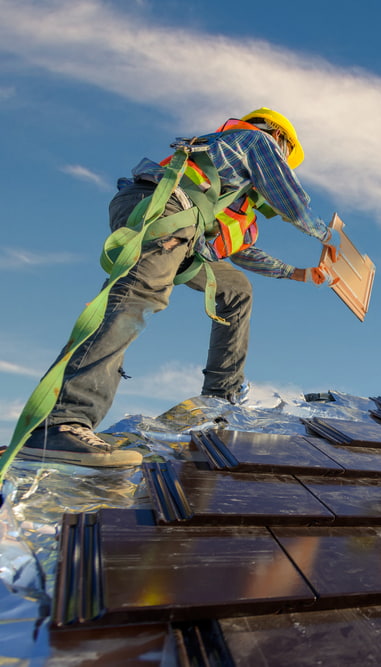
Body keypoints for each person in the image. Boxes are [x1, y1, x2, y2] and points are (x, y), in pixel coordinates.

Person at [20, 108, 337, 467]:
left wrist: (299, 273)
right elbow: (290, 198)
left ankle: (222, 396)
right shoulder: (255, 140)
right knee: (136, 298)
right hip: (160, 208)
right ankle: (62, 423)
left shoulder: (236, 204)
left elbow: (244, 253)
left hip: (185, 233)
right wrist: (327, 235)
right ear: (281, 141)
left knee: (235, 289)